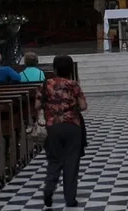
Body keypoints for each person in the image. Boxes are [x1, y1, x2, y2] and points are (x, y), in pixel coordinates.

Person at [42, 55, 88, 209]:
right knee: (71, 162)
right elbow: (83, 106)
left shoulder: (46, 84)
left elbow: (37, 104)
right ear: (70, 69)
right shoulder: (73, 84)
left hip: (53, 126)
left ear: (54, 68)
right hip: (72, 126)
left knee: (54, 159)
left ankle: (49, 188)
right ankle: (70, 198)